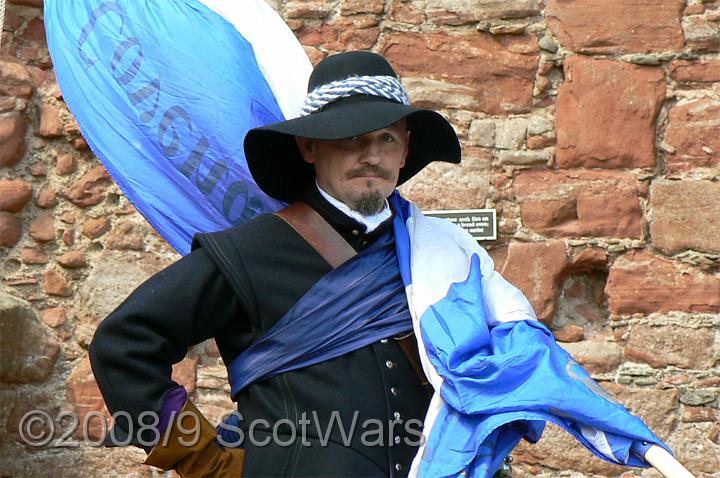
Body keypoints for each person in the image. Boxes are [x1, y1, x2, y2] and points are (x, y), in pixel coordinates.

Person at [89, 50, 526, 477]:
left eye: (385, 139)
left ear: (405, 149)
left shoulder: (442, 251)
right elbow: (123, 345)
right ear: (309, 147)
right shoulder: (250, 253)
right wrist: (203, 458)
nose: (370, 156)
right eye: (351, 139)